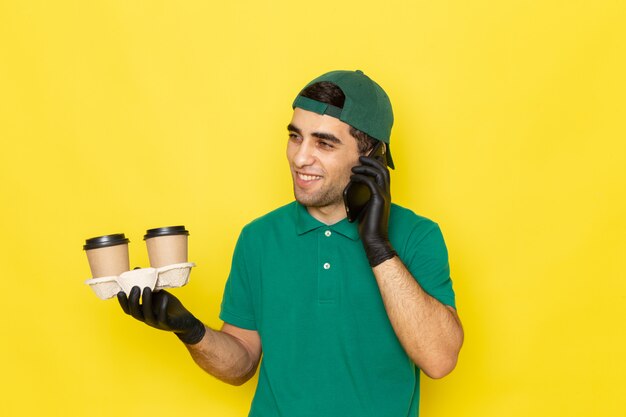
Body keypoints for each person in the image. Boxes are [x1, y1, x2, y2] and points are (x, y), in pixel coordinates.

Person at [118, 69, 464, 416]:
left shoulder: (418, 235)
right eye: (296, 137)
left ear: (371, 156)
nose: (300, 158)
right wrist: (189, 330)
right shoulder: (259, 238)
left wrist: (377, 244)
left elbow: (439, 360)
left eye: (324, 143)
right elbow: (241, 364)